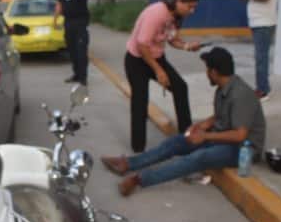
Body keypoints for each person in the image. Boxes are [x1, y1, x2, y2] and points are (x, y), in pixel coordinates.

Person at [100, 47, 266, 197]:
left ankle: (139, 179)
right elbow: (221, 116)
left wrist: (205, 136)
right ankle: (128, 163)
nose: (206, 73)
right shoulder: (223, 88)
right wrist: (201, 125)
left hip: (243, 149)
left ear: (214, 72)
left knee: (197, 158)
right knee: (176, 142)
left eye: (207, 69)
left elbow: (240, 134)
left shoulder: (240, 95)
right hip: (221, 138)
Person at [125, 0, 203, 153]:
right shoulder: (157, 13)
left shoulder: (176, 16)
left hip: (156, 57)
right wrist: (159, 71)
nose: (192, 11)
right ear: (180, 1)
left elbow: (172, 39)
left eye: (194, 7)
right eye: (190, 7)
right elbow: (142, 45)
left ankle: (186, 138)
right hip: (137, 60)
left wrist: (188, 46)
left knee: (180, 88)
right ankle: (138, 150)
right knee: (140, 103)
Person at [239, 0, 278, 102]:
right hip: (260, 23)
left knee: (261, 57)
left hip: (264, 23)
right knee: (260, 56)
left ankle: (263, 90)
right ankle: (261, 87)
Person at [53, 0, 95, 86]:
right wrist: (55, 20)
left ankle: (83, 77)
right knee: (72, 51)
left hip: (81, 22)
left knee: (81, 51)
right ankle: (76, 74)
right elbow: (59, 4)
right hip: (68, 22)